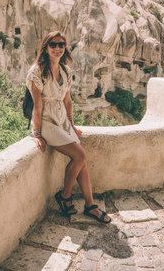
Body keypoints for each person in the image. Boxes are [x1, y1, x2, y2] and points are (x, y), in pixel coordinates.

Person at [26, 31, 111, 224]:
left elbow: (67, 100)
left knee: (81, 161)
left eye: (61, 45)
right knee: (80, 155)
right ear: (46, 48)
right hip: (47, 123)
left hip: (63, 121)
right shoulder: (36, 71)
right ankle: (65, 196)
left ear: (65, 48)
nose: (57, 48)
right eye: (53, 45)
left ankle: (90, 205)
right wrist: (37, 134)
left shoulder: (65, 70)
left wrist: (71, 125)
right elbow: (37, 106)